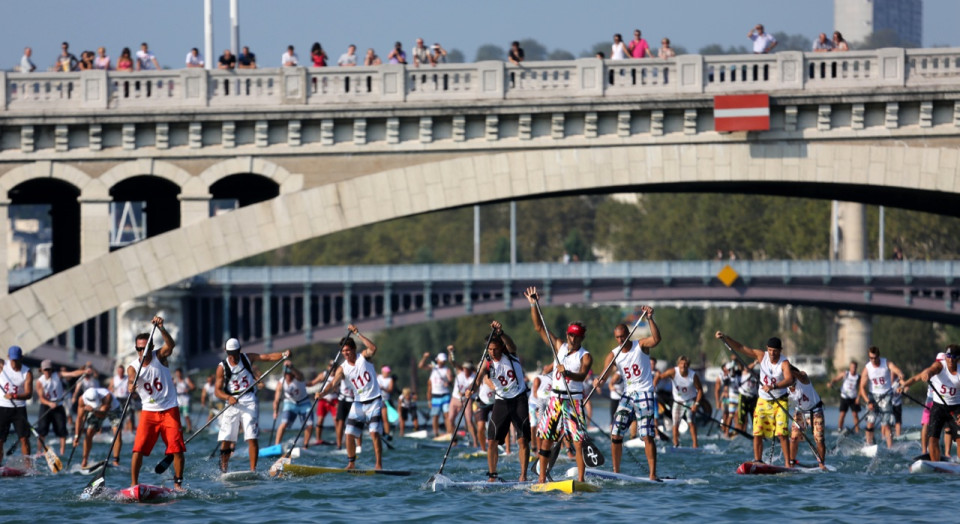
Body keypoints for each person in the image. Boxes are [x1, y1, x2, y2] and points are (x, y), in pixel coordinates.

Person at [524, 286, 593, 483]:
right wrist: (533, 305)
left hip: (574, 401)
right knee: (546, 440)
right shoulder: (559, 346)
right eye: (571, 335)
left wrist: (568, 373)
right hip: (555, 400)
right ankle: (542, 478)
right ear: (567, 334)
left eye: (576, 336)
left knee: (578, 443)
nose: (573, 339)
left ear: (581, 337)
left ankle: (580, 480)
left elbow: (581, 376)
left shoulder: (585, 356)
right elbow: (539, 327)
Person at [596, 307, 661, 478]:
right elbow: (605, 374)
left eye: (623, 336)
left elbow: (656, 339)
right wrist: (598, 381)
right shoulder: (613, 355)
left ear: (628, 334)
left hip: (644, 393)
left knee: (647, 435)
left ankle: (652, 474)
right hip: (628, 395)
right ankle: (616, 472)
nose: (620, 340)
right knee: (616, 433)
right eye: (617, 337)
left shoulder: (640, 345)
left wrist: (650, 319)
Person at [716, 332, 793, 467]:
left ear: (780, 351)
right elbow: (740, 348)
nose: (772, 354)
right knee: (757, 432)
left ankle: (788, 463)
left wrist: (774, 386)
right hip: (763, 401)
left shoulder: (784, 363)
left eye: (775, 351)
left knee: (782, 433)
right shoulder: (761, 356)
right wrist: (726, 338)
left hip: (780, 400)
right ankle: (758, 460)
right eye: (769, 350)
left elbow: (789, 379)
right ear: (766, 349)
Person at [215, 337, 289, 473]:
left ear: (240, 350)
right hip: (231, 402)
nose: (233, 357)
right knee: (226, 438)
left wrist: (283, 355)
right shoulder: (222, 367)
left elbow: (267, 357)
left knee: (251, 436)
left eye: (236, 353)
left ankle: (253, 470)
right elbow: (217, 391)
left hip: (249, 400)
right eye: (230, 353)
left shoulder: (247, 358)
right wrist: (228, 397)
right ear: (226, 352)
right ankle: (224, 470)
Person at [317, 325, 385, 470]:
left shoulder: (363, 357)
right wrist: (321, 393)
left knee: (374, 433)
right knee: (348, 434)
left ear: (353, 349)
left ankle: (378, 464)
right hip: (359, 403)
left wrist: (357, 333)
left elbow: (373, 348)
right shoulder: (342, 368)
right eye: (343, 351)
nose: (346, 353)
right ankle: (351, 463)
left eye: (348, 350)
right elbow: (333, 384)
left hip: (374, 400)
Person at [128, 317, 185, 490]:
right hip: (149, 412)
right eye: (138, 349)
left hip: (169, 409)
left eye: (144, 348)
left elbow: (171, 345)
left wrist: (161, 328)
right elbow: (131, 379)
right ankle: (133, 484)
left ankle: (178, 483)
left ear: (151, 348)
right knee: (137, 449)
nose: (141, 352)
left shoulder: (159, 356)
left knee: (177, 449)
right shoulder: (132, 367)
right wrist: (131, 386)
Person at [469, 320, 530, 481]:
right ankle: (492, 476)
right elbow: (477, 380)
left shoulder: (510, 354)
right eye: (490, 349)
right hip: (501, 401)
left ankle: (523, 475)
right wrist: (471, 389)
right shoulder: (486, 362)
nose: (493, 352)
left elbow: (511, 344)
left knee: (522, 440)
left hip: (519, 399)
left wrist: (501, 333)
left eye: (495, 349)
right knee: (492, 441)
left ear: (501, 347)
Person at [899, 346, 960, 462]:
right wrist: (927, 373)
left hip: (956, 407)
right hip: (938, 407)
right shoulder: (940, 365)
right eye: (948, 357)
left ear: (958, 358)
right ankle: (935, 464)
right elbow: (931, 369)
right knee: (932, 438)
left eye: (953, 357)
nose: (950, 360)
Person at [858, 346, 904, 448]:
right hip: (873, 397)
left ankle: (890, 447)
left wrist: (900, 375)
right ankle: (868, 444)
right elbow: (861, 388)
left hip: (886, 395)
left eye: (875, 358)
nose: (873, 360)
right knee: (870, 422)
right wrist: (868, 402)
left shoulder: (886, 363)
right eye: (871, 358)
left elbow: (897, 370)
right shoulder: (867, 368)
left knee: (886, 424)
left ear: (879, 356)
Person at [36, 360, 85, 454]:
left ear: (52, 370)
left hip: (58, 406)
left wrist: (83, 372)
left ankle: (62, 451)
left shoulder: (58, 375)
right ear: (42, 370)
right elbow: (41, 398)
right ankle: (39, 451)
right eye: (45, 370)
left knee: (62, 430)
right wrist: (49, 403)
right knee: (42, 430)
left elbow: (73, 374)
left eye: (49, 370)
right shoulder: (40, 382)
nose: (47, 372)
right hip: (46, 406)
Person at [655, 356, 704, 448]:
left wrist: (696, 404)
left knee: (691, 422)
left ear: (688, 365)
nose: (683, 366)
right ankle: (676, 443)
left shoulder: (693, 375)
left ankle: (695, 444)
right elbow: (660, 377)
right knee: (675, 423)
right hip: (678, 402)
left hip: (690, 401)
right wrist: (654, 385)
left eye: (685, 364)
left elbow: (700, 390)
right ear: (678, 364)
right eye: (681, 363)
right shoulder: (673, 371)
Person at [787, 365, 826, 468]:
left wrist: (788, 369)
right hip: (800, 412)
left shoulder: (803, 377)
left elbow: (801, 375)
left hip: (815, 411)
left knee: (819, 439)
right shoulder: (786, 384)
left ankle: (821, 464)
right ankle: (791, 463)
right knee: (794, 438)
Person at [0, 346, 34, 461]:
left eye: (17, 360)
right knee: (0, 440)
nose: (14, 363)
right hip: (3, 407)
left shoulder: (27, 372)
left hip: (19, 408)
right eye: (13, 360)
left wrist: (15, 396)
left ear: (21, 358)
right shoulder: (2, 366)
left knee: (24, 439)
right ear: (9, 357)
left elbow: (29, 394)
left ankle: (28, 466)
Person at [77, 387, 123, 467]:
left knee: (117, 433)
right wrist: (76, 436)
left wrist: (93, 410)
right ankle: (84, 460)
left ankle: (116, 460)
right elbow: (79, 418)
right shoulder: (82, 399)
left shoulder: (106, 396)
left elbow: (102, 415)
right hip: (95, 410)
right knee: (89, 432)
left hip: (113, 409)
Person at [273, 361, 314, 448]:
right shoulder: (281, 383)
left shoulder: (299, 378)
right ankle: (276, 446)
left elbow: (299, 374)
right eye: (286, 374)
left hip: (304, 402)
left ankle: (305, 446)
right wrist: (275, 411)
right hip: (290, 403)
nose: (288, 376)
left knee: (309, 425)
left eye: (289, 374)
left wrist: (291, 367)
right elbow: (276, 400)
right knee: (284, 423)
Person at [418, 348, 454, 437]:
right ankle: (436, 434)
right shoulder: (433, 367)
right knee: (435, 416)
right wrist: (424, 357)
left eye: (444, 361)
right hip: (435, 396)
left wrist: (448, 382)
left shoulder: (447, 369)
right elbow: (421, 366)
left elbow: (450, 378)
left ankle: (450, 433)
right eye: (441, 361)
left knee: (447, 415)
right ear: (437, 360)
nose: (442, 363)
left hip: (445, 395)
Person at [308, 362, 338, 445]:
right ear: (328, 367)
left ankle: (339, 439)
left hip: (334, 399)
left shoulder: (338, 375)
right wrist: (303, 384)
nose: (332, 368)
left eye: (334, 366)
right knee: (320, 420)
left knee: (336, 420)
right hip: (323, 399)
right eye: (331, 366)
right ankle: (318, 439)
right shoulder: (324, 375)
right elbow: (312, 383)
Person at [827, 361, 861, 434]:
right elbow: (836, 379)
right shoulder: (845, 374)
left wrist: (858, 397)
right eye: (852, 367)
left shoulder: (858, 377)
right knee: (842, 414)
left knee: (855, 414)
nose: (853, 369)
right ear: (850, 367)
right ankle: (839, 429)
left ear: (856, 368)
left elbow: (861, 388)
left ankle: (857, 430)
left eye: (855, 367)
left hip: (853, 398)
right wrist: (831, 383)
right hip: (844, 397)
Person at [716, 356, 742, 438]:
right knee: (726, 415)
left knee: (736, 415)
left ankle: (735, 431)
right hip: (727, 398)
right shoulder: (722, 376)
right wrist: (718, 401)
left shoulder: (737, 374)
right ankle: (725, 430)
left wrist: (736, 360)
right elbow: (717, 389)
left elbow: (741, 368)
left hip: (736, 397)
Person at [449, 360, 474, 444]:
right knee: (450, 419)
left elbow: (471, 387)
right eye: (464, 368)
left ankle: (475, 442)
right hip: (455, 398)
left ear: (471, 369)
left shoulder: (473, 377)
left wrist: (464, 393)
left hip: (466, 399)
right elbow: (452, 362)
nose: (466, 370)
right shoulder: (459, 372)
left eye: (468, 368)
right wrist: (450, 352)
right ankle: (454, 439)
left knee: (469, 421)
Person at [108, 365, 134, 434]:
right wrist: (112, 389)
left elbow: (131, 386)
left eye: (121, 371)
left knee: (129, 416)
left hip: (126, 399)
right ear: (117, 371)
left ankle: (131, 432)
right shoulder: (114, 379)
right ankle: (116, 432)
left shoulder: (127, 378)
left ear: (123, 371)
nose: (120, 373)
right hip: (117, 399)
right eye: (119, 371)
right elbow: (109, 388)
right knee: (118, 417)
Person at [737, 359, 760, 433]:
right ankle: (742, 431)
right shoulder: (745, 373)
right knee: (742, 417)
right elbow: (747, 368)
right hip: (744, 396)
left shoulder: (757, 376)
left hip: (753, 398)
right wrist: (755, 362)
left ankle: (756, 433)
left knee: (755, 417)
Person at [173, 368, 196, 433]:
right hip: (178, 399)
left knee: (186, 415)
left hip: (185, 399)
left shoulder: (186, 380)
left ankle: (189, 428)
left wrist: (188, 390)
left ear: (181, 373)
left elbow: (193, 387)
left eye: (179, 373)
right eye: (177, 373)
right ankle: (177, 428)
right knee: (176, 415)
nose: (178, 375)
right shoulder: (175, 381)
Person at [377, 366, 396, 437]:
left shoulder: (390, 380)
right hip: (377, 400)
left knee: (385, 418)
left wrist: (383, 388)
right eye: (386, 372)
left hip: (385, 401)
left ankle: (387, 434)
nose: (388, 373)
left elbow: (390, 390)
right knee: (376, 418)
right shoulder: (378, 377)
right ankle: (377, 432)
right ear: (383, 372)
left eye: (388, 372)